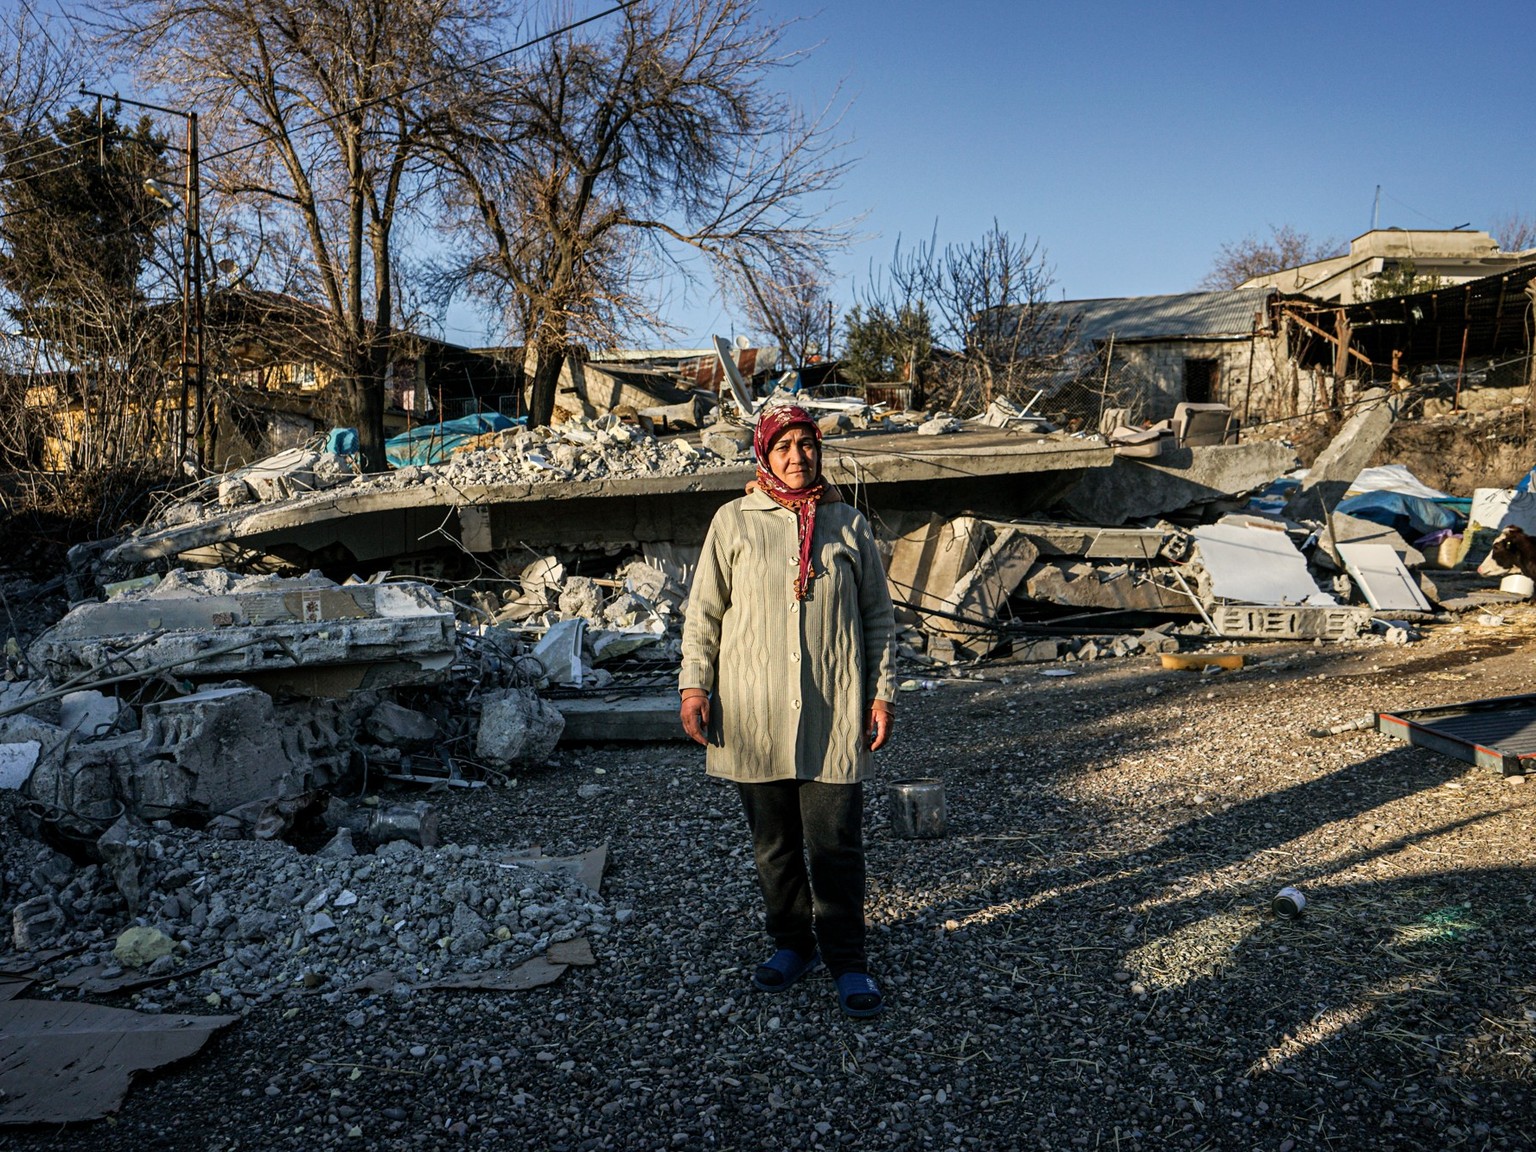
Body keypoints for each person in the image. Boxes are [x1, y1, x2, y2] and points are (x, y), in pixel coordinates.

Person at [679, 403, 897, 1018]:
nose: (796, 457)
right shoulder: (733, 521)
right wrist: (694, 686)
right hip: (754, 712)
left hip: (833, 708)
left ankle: (848, 961)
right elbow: (705, 614)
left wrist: (882, 693)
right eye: (783, 448)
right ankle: (791, 945)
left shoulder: (848, 525)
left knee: (836, 843)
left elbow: (878, 619)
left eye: (806, 445)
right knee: (773, 844)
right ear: (763, 454)